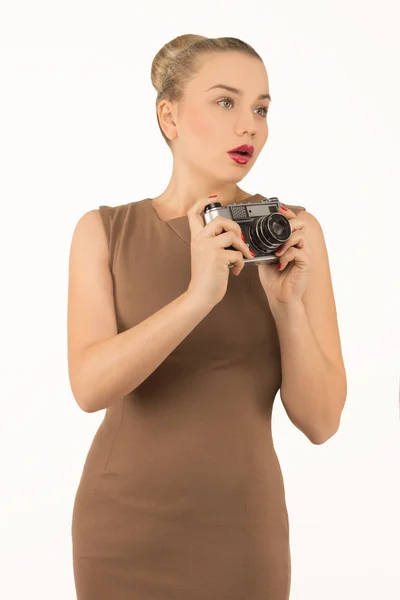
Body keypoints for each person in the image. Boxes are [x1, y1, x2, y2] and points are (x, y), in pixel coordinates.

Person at [69, 34, 346, 599]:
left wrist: (288, 307)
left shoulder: (295, 233)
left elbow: (321, 423)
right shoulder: (103, 231)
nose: (250, 125)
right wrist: (198, 296)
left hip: (244, 528)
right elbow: (89, 387)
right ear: (168, 116)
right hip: (122, 525)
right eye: (226, 102)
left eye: (262, 109)